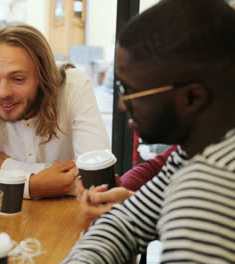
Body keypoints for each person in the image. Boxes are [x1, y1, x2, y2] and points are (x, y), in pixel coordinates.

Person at [62, 0, 235, 263]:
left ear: (191, 98)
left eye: (131, 91)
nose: (122, 104)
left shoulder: (209, 186)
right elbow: (125, 223)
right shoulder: (194, 152)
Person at [0, 24, 109, 199]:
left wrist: (6, 165)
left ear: (43, 77)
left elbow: (95, 177)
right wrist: (31, 185)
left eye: (18, 79)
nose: (3, 92)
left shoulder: (74, 86)